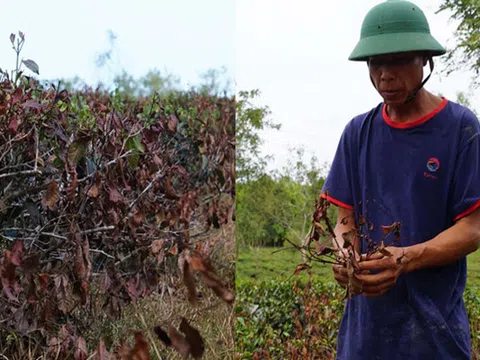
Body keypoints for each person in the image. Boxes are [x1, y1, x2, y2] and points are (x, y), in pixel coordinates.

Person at [321, 0, 480, 358]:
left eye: (397, 60)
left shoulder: (460, 129)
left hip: (434, 335)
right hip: (365, 336)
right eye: (376, 63)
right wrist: (348, 257)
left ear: (424, 59)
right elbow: (345, 220)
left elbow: (472, 228)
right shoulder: (357, 133)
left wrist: (405, 258)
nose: (385, 75)